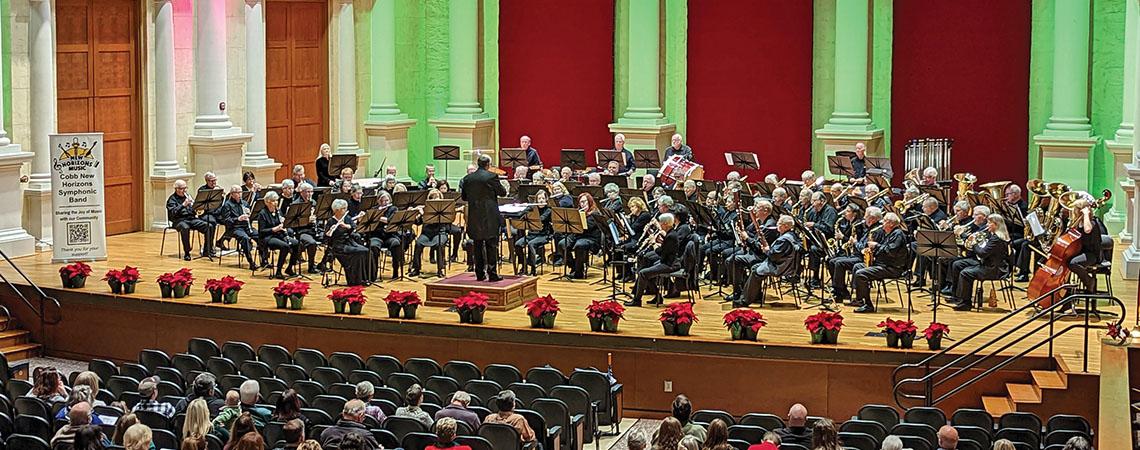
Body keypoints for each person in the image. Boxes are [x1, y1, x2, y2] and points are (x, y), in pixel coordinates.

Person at [732, 215, 801, 308]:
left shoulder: (784, 239)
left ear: (786, 226)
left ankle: (745, 301)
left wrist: (766, 250)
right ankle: (753, 296)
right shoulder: (792, 235)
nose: (777, 225)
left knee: (756, 272)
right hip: (785, 264)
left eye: (779, 224)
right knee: (754, 267)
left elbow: (773, 256)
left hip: (781, 267)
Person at [947, 214, 1011, 311]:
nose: (987, 225)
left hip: (994, 269)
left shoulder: (997, 239)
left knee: (965, 273)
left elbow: (982, 253)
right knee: (958, 264)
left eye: (990, 223)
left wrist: (974, 242)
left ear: (996, 225)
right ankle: (957, 297)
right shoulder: (993, 235)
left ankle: (965, 303)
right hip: (988, 263)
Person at [460, 154, 507, 282]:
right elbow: (503, 192)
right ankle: (492, 273)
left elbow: (464, 197)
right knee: (491, 245)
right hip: (489, 215)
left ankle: (479, 274)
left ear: (478, 164)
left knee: (477, 245)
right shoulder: (492, 176)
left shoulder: (468, 178)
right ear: (488, 165)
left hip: (474, 216)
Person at [852, 212, 909, 313]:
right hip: (882, 264)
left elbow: (891, 252)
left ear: (891, 224)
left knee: (861, 274)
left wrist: (876, 246)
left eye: (885, 221)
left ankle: (868, 305)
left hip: (891, 268)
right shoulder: (888, 233)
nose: (882, 223)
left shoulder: (898, 234)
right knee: (857, 266)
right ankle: (860, 300)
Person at [626, 213, 682, 307]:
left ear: (665, 223)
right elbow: (666, 249)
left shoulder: (671, 236)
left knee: (643, 273)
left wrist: (654, 244)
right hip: (669, 261)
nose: (659, 224)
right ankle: (657, 296)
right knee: (646, 271)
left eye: (660, 222)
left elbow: (662, 254)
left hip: (670, 264)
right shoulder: (671, 233)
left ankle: (637, 300)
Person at [325, 198, 371, 286]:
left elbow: (354, 227)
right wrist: (330, 232)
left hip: (349, 242)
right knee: (359, 252)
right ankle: (354, 280)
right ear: (337, 210)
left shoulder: (347, 218)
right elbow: (326, 238)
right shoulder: (331, 221)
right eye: (344, 208)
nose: (346, 210)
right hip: (339, 246)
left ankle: (363, 278)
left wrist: (347, 226)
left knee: (365, 250)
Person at [257, 191, 302, 279]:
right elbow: (262, 231)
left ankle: (289, 268)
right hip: (267, 237)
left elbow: (282, 223)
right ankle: (278, 271)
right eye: (273, 201)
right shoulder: (262, 214)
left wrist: (284, 223)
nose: (276, 203)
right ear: (267, 202)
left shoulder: (278, 211)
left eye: (276, 200)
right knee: (285, 246)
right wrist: (274, 229)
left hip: (279, 235)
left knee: (297, 243)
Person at [168, 179, 216, 260]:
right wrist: (183, 205)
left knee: (209, 226)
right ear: (176, 189)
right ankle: (187, 252)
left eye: (185, 188)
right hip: (179, 220)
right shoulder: (172, 199)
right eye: (182, 189)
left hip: (191, 219)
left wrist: (195, 206)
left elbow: (194, 210)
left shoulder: (187, 196)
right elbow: (173, 213)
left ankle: (207, 251)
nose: (185, 190)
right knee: (185, 228)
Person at [1066, 197, 1104, 294]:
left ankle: (1089, 281)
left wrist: (1086, 214)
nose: (1073, 211)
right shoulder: (1078, 223)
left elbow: (1087, 230)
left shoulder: (1092, 222)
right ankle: (1067, 291)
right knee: (1065, 261)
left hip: (1092, 255)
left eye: (1075, 209)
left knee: (1073, 263)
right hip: (1081, 252)